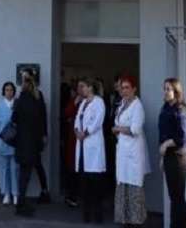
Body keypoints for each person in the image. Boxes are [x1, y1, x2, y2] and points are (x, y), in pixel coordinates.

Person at [111, 75, 150, 227]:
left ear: (134, 89)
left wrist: (118, 129)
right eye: (122, 88)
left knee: (133, 185)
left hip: (133, 152)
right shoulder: (122, 104)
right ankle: (125, 220)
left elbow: (135, 129)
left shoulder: (137, 106)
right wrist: (119, 129)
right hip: (123, 151)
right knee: (123, 184)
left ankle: (136, 221)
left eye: (127, 87)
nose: (124, 90)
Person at [158, 78, 186, 228]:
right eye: (164, 89)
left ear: (176, 92)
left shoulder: (180, 110)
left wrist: (166, 144)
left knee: (178, 199)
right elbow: (163, 133)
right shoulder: (165, 108)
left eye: (169, 89)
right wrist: (162, 157)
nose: (165, 92)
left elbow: (181, 138)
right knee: (174, 198)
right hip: (168, 157)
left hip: (178, 158)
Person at [11, 72, 46, 217]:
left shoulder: (19, 100)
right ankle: (21, 204)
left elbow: (14, 119)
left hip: (21, 142)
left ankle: (21, 203)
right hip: (33, 143)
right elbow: (42, 120)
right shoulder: (37, 100)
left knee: (23, 175)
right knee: (26, 175)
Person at [75, 78, 107, 224]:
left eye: (84, 87)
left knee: (95, 184)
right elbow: (77, 119)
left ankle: (98, 215)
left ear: (90, 88)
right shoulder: (83, 103)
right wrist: (77, 131)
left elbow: (97, 121)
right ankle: (86, 215)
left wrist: (85, 132)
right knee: (85, 184)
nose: (82, 89)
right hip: (82, 146)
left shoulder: (99, 102)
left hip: (93, 145)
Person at [22, 70, 51, 203]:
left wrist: (44, 134)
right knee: (34, 165)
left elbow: (43, 115)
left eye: (26, 78)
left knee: (35, 164)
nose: (25, 81)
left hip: (35, 136)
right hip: (29, 136)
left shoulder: (38, 94)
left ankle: (43, 191)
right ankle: (41, 191)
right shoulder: (23, 94)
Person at [0, 81, 19, 205]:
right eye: (7, 90)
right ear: (3, 92)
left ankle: (15, 194)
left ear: (14, 91)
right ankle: (6, 193)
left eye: (11, 90)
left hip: (15, 143)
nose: (9, 92)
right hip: (2, 142)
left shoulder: (17, 105)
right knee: (4, 170)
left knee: (15, 170)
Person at [62, 81, 81, 208]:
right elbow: (67, 113)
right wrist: (74, 103)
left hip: (84, 138)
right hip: (73, 139)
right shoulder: (74, 101)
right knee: (72, 167)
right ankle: (72, 196)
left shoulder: (91, 102)